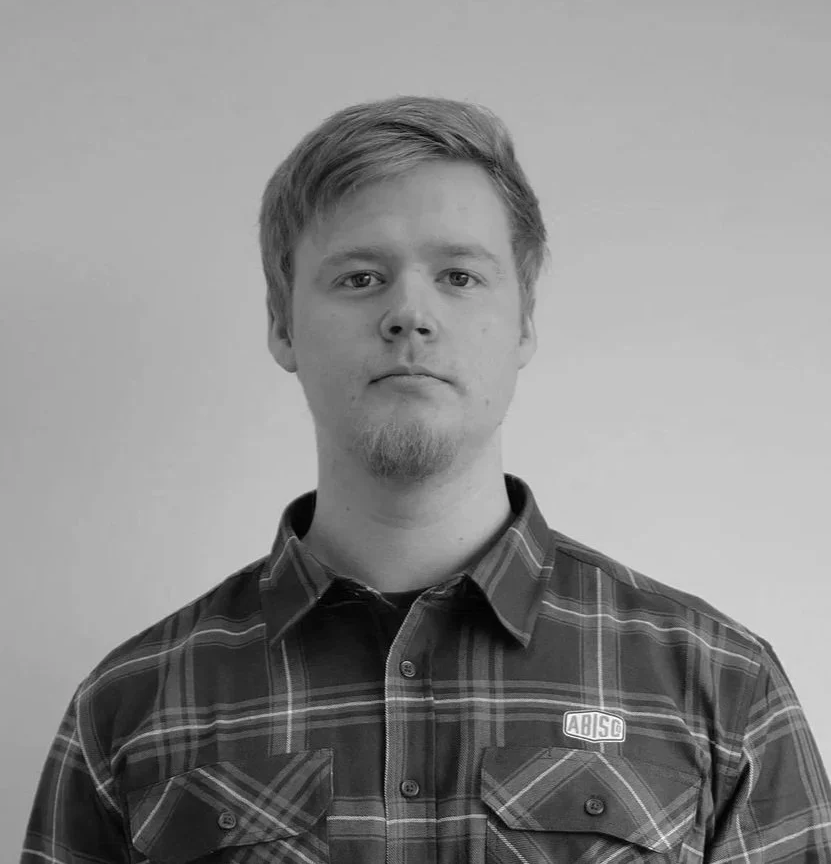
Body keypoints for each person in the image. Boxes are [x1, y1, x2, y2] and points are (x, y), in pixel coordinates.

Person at [20, 95, 831, 863]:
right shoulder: (130, 706)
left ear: (523, 323)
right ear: (281, 324)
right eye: (360, 277)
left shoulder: (718, 685)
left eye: (458, 275)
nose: (409, 313)